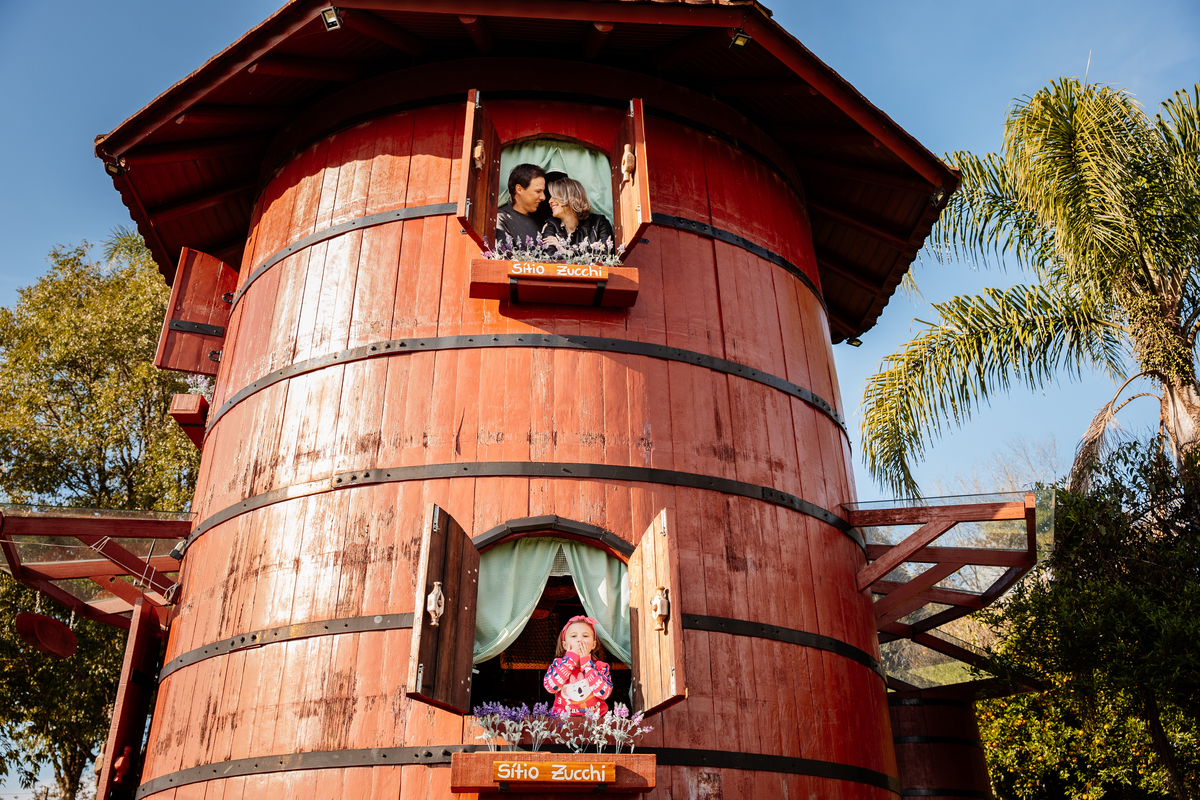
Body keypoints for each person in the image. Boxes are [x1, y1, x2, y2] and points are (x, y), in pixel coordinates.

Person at [542, 615, 613, 716]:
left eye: (585, 636)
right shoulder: (557, 664)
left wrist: (587, 664)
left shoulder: (601, 667)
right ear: (565, 645)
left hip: (595, 723)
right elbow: (550, 687)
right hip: (563, 723)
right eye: (574, 636)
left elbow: (604, 693)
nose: (580, 640)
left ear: (593, 644)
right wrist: (570, 661)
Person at [540, 178, 615, 255]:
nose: (550, 201)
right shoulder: (551, 226)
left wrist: (566, 252)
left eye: (554, 196)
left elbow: (605, 254)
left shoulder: (599, 223)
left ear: (570, 197)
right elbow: (550, 259)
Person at [496, 163, 546, 247]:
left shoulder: (539, 223)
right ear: (519, 189)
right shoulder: (500, 219)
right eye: (538, 191)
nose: (543, 197)